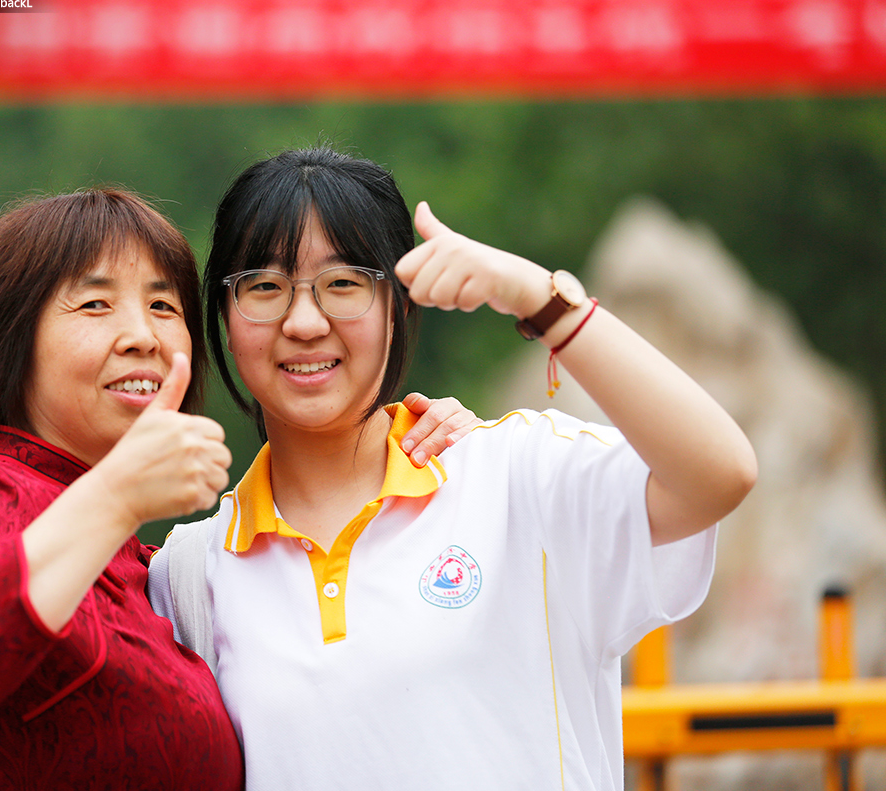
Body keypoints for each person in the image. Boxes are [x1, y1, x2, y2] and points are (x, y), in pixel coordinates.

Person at [148, 147, 758, 790]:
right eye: (264, 288)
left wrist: (540, 299)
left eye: (343, 284)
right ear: (223, 316)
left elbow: (720, 473)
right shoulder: (191, 573)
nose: (304, 322)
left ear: (399, 307)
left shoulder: (515, 479)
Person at [0, 188, 476, 790]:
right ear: (9, 341)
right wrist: (116, 496)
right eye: (94, 304)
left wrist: (457, 451)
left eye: (164, 307)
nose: (143, 336)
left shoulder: (146, 571)